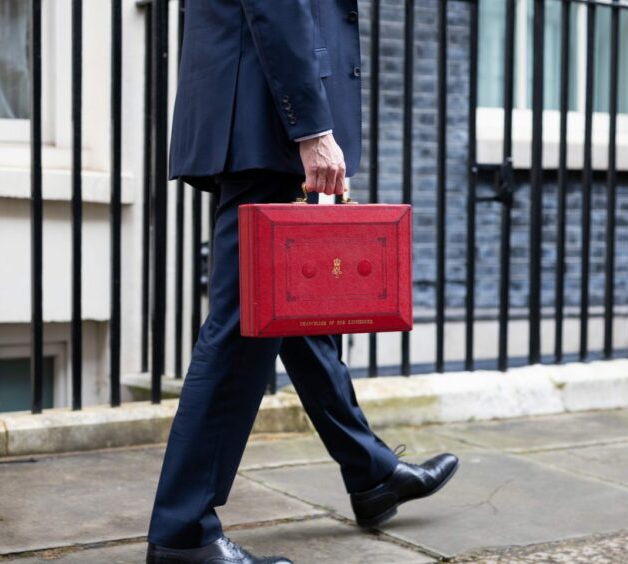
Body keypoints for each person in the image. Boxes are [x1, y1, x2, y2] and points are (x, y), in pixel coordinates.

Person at [144, 1, 459, 562]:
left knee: (296, 315)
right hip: (267, 118)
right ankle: (183, 531)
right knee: (243, 329)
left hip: (256, 111)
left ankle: (372, 474)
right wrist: (310, 126)